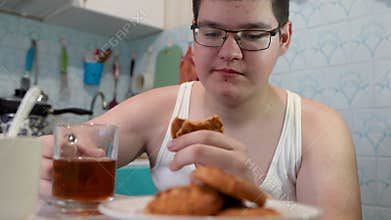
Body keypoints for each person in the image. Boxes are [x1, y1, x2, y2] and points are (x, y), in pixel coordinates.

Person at [40, 0, 362, 219]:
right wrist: (51, 157)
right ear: (194, 35)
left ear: (285, 37)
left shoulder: (320, 130)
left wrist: (251, 203)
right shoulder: (158, 109)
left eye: (252, 35)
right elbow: (65, 149)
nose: (230, 52)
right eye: (211, 33)